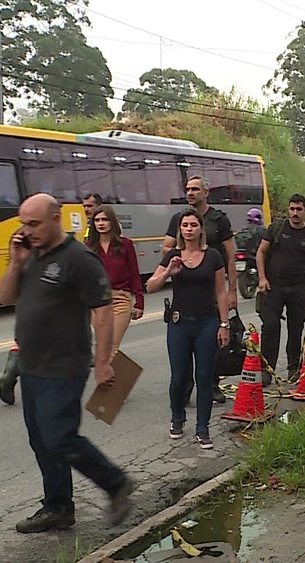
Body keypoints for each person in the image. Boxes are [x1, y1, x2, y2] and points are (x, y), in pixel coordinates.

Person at [0, 193, 133, 534]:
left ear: (56, 219)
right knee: (41, 441)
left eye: (34, 224)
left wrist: (103, 363)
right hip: (31, 365)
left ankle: (116, 483)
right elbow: (5, 297)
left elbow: (103, 311)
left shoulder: (79, 259)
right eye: (23, 224)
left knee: (59, 438)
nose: (27, 231)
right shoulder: (30, 254)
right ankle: (58, 507)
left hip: (64, 366)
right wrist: (15, 262)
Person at [147, 208, 231, 450]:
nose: (189, 229)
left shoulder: (213, 256)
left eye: (193, 225)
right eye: (185, 225)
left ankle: (203, 428)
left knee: (204, 378)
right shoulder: (173, 256)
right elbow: (150, 286)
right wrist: (168, 273)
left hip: (207, 323)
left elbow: (221, 292)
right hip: (179, 323)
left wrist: (224, 324)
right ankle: (177, 418)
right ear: (180, 230)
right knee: (179, 377)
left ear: (200, 229)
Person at [162, 175, 237, 403]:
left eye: (195, 189)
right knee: (183, 344)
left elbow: (230, 254)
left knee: (211, 340)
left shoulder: (219, 220)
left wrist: (232, 290)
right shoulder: (179, 219)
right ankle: (184, 390)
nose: (190, 193)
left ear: (206, 192)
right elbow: (166, 247)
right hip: (186, 283)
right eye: (187, 189)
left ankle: (211, 385)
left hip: (211, 284)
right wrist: (185, 252)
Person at [256, 194, 305, 383]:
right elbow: (261, 252)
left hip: (298, 288)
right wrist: (262, 278)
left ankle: (294, 368)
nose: (295, 213)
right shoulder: (277, 228)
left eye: (299, 209)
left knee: (296, 329)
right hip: (273, 287)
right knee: (270, 327)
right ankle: (266, 370)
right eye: (292, 209)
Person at [86, 205, 144, 358]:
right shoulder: (89, 247)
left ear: (112, 222)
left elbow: (134, 274)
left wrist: (139, 302)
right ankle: (117, 375)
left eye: (104, 219)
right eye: (97, 220)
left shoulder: (126, 244)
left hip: (120, 299)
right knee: (103, 346)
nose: (101, 223)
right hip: (97, 302)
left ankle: (112, 375)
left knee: (111, 346)